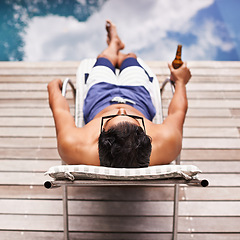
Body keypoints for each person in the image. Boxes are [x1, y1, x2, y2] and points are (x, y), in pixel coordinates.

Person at [48, 20, 191, 168]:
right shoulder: (166, 143)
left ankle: (113, 46)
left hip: (100, 97)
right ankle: (120, 51)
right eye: (132, 118)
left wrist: (53, 87)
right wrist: (180, 81)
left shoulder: (74, 146)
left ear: (99, 138)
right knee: (130, 58)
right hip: (137, 96)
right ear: (147, 138)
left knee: (104, 59)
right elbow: (177, 112)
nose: (121, 109)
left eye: (112, 117)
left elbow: (60, 110)